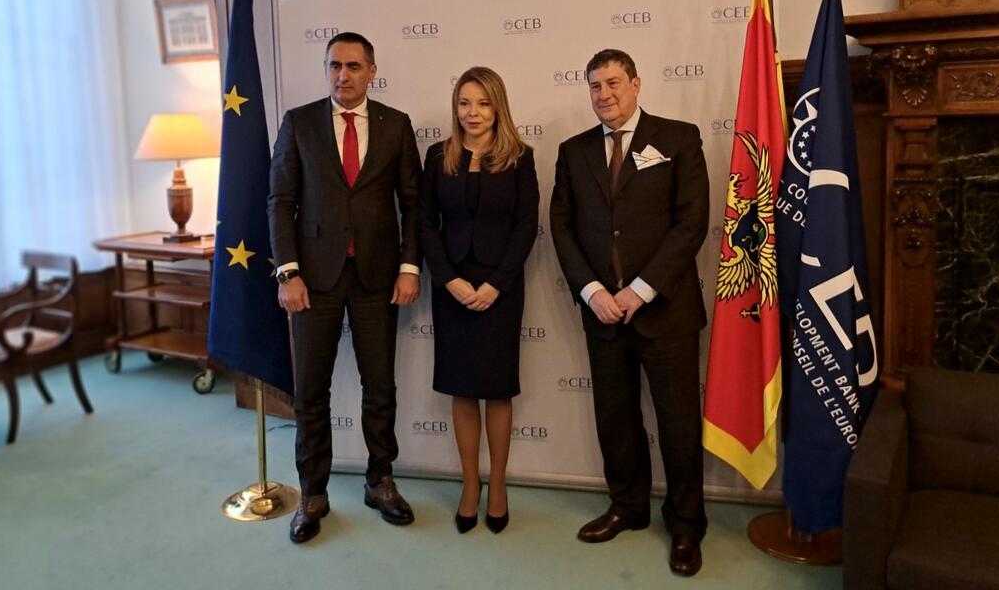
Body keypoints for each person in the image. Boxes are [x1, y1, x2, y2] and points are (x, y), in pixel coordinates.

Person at [549, 48, 709, 576]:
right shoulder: (573, 151)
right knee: (615, 420)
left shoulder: (678, 138)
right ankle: (628, 506)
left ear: (636, 84)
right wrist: (592, 291)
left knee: (678, 424)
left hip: (666, 311)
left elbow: (691, 223)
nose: (604, 94)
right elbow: (561, 227)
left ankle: (686, 526)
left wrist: (640, 290)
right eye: (595, 86)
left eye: (614, 83)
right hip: (602, 312)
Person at [268, 31, 422, 544]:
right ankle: (313, 492)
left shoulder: (396, 125)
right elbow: (279, 201)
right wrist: (288, 272)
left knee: (381, 387)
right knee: (311, 391)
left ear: (371, 72)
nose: (343, 75)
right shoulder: (299, 123)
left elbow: (413, 204)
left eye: (354, 66)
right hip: (313, 280)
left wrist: (410, 267)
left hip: (378, 277)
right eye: (335, 65)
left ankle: (380, 481)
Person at [418, 67, 538, 535]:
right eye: (465, 103)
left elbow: (526, 226)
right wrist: (448, 280)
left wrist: (496, 285)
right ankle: (470, 485)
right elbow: (425, 223)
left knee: (498, 389)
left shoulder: (520, 157)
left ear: (497, 107)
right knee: (462, 389)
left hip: (499, 290)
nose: (473, 113)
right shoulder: (438, 156)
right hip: (452, 288)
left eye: (483, 103)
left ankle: (499, 486)